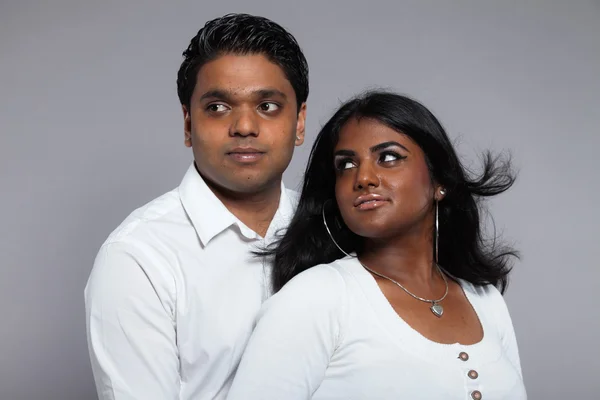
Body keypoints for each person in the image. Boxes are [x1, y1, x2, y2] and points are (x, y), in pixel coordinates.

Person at [227, 91, 527, 399]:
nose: (364, 177)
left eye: (388, 157)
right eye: (346, 165)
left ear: (440, 182)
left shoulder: (485, 300)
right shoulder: (316, 299)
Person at [84, 13, 308, 400]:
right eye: (218, 106)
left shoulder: (332, 228)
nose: (244, 127)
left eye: (268, 106)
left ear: (299, 122)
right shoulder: (138, 259)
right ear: (188, 124)